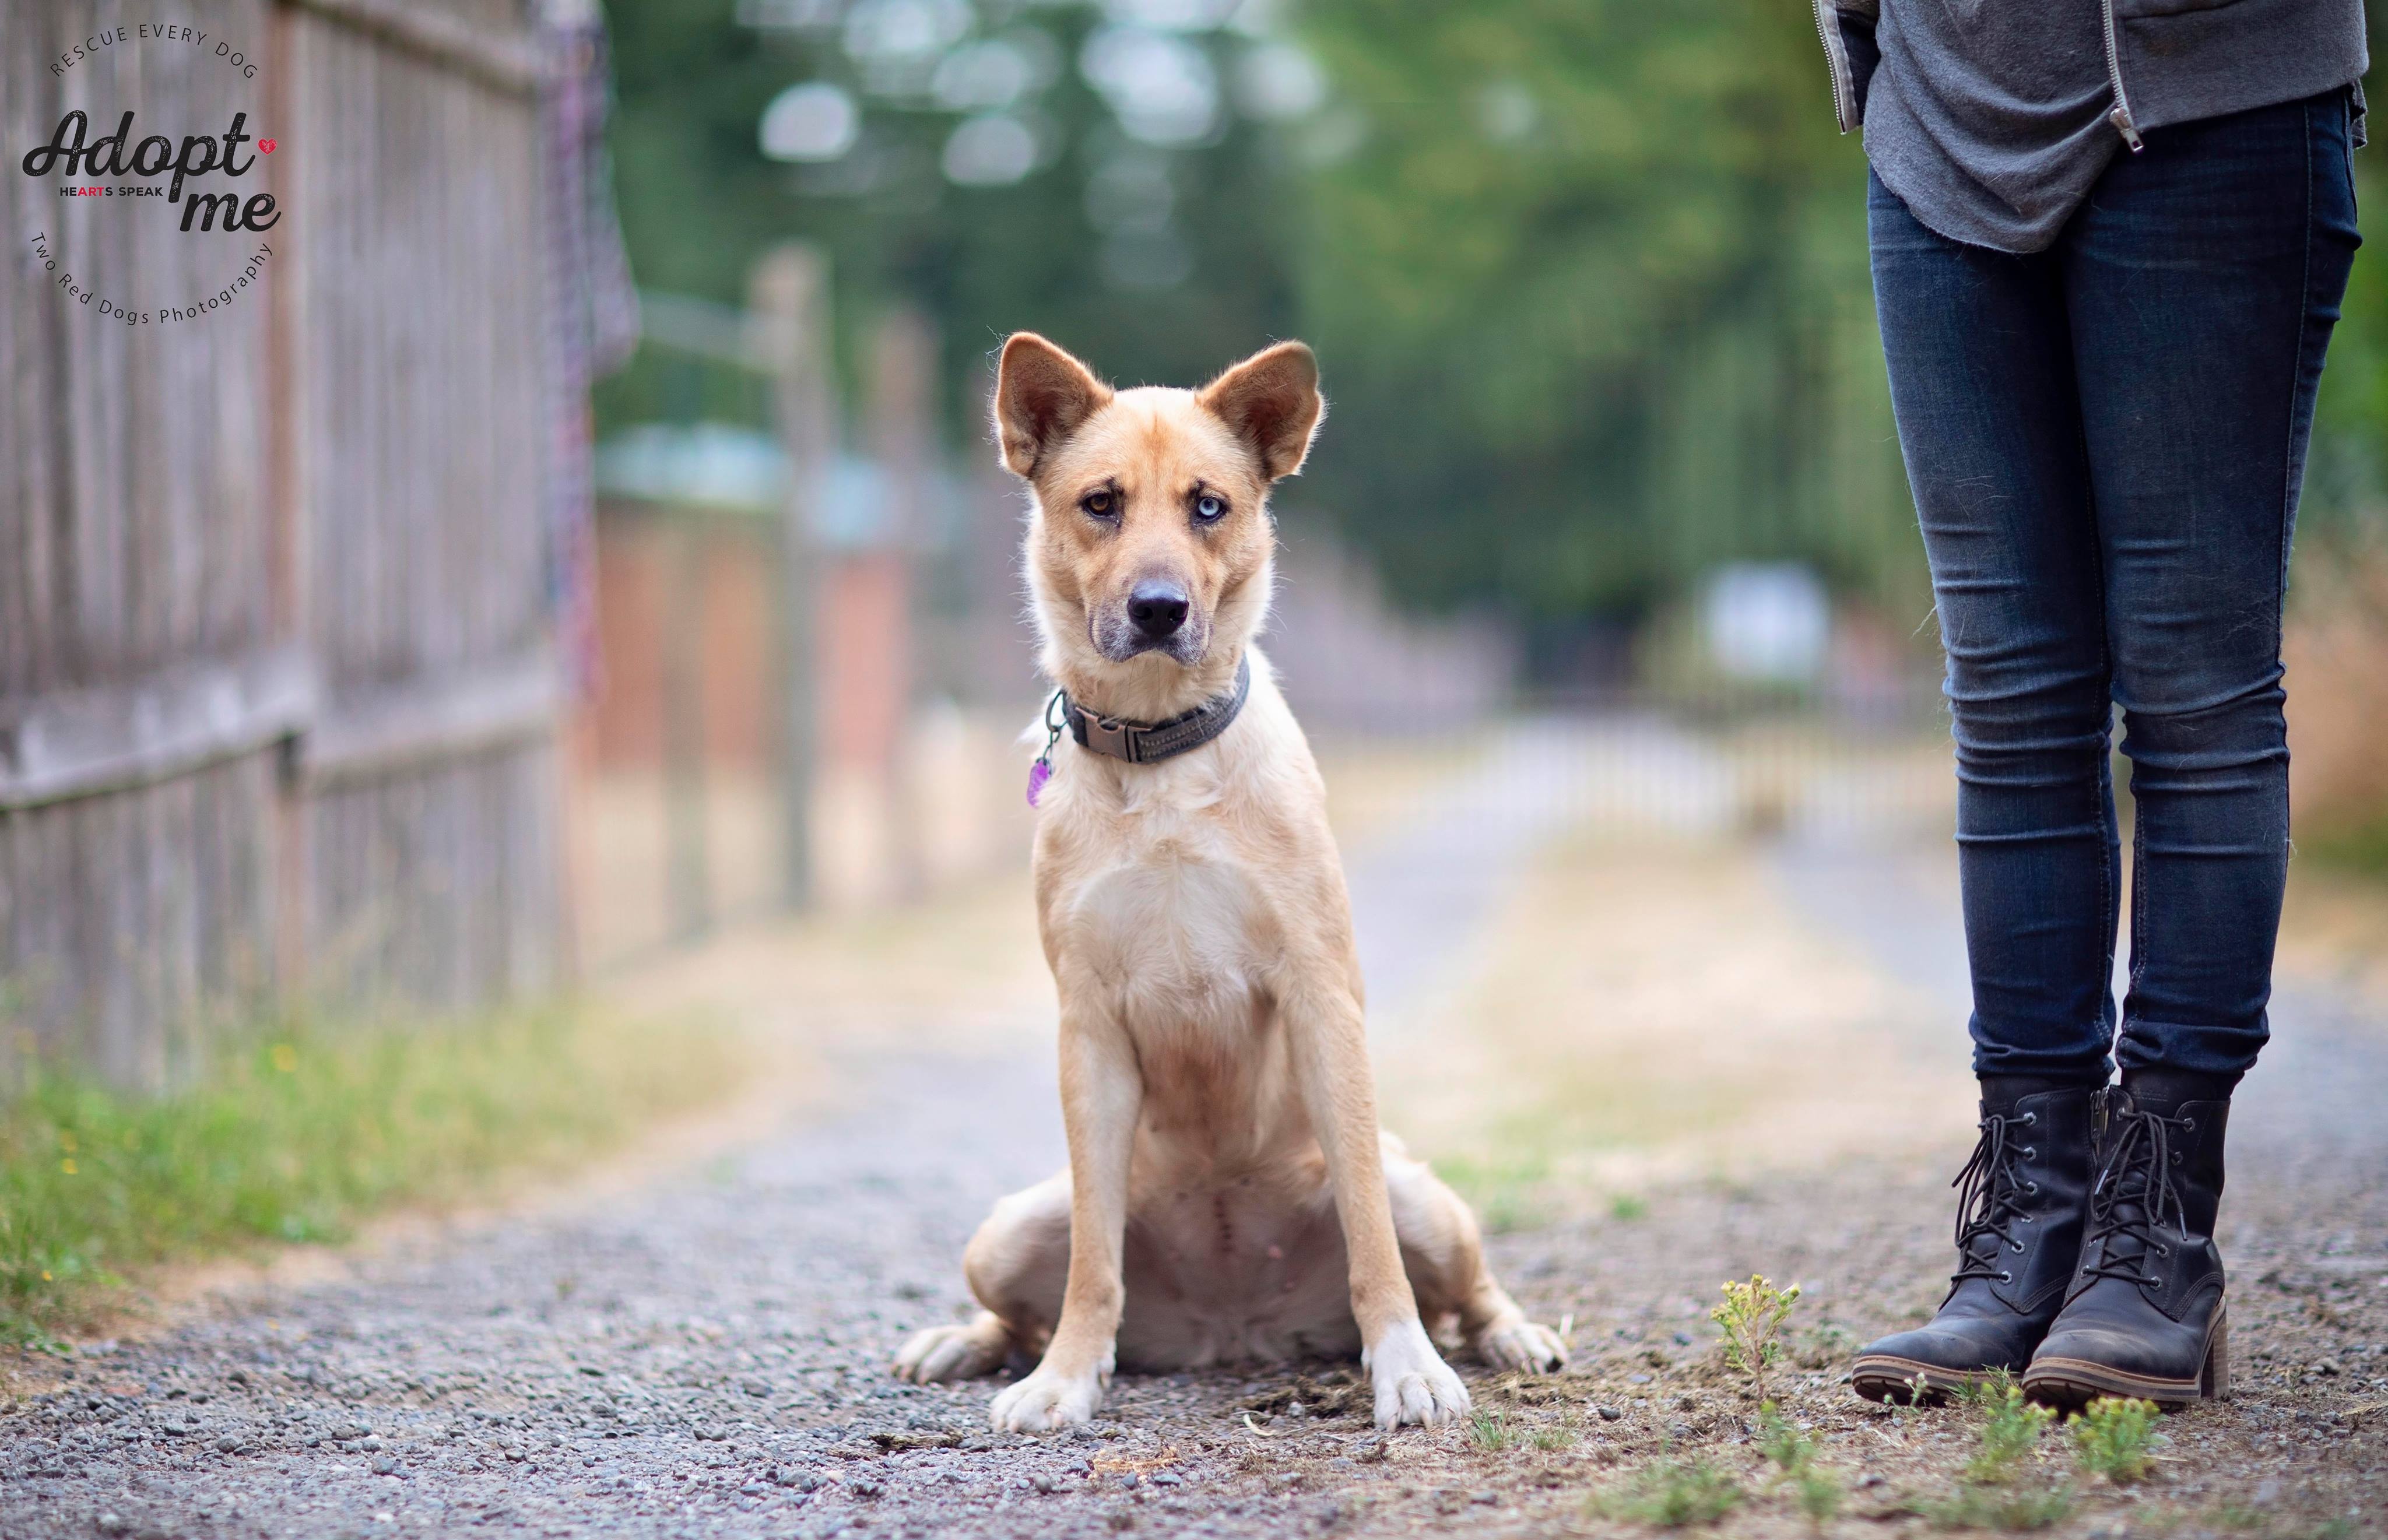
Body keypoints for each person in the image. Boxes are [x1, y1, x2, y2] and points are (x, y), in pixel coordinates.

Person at [1810, 1, 2368, 1407]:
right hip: (1935, 119)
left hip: (2207, 98)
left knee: (2192, 684)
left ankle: (2156, 1236)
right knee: (2007, 699)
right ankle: (2031, 1221)